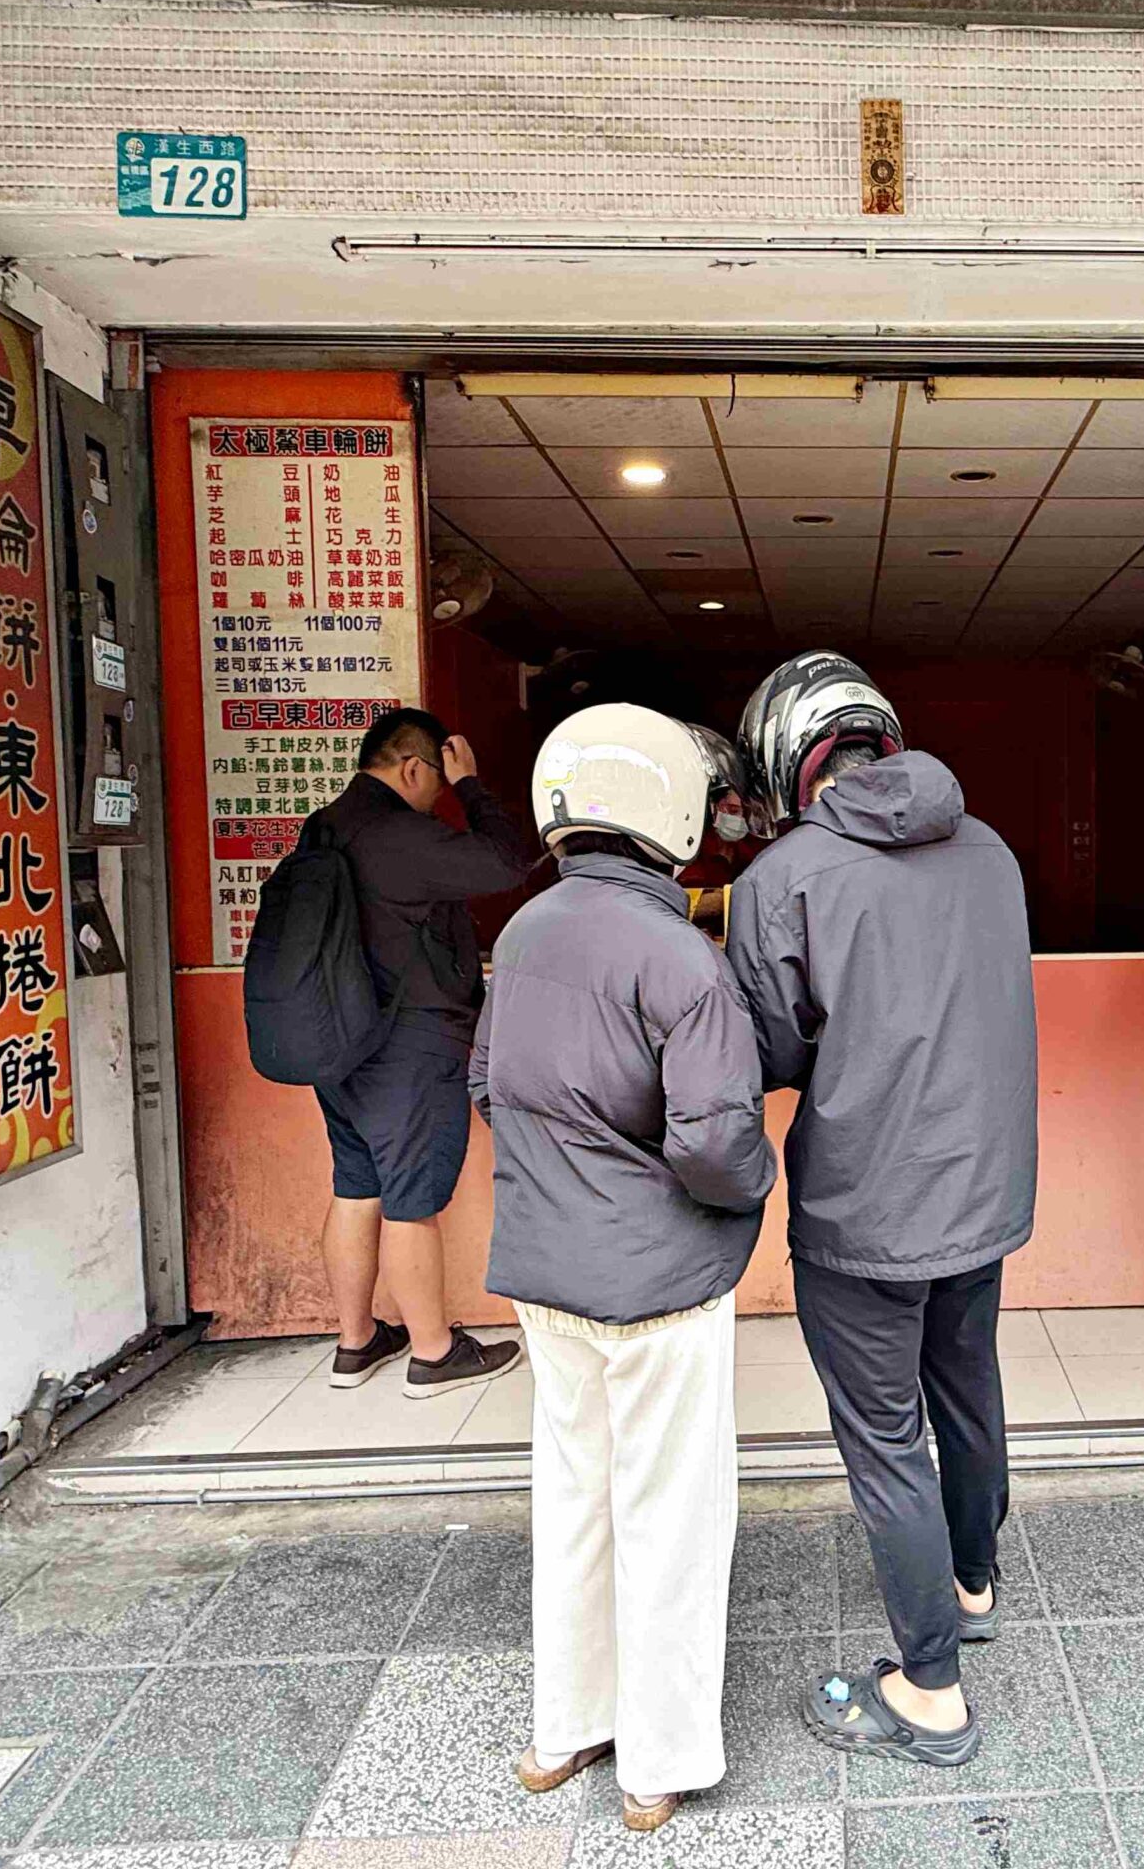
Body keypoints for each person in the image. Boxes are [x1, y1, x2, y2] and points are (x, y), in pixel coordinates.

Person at [724, 651, 1035, 1770]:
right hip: (984, 1187)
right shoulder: (989, 849)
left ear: (783, 760)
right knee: (966, 1387)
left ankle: (931, 1690)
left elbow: (771, 1051)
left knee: (885, 1438)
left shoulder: (782, 878)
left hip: (865, 1202)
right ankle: (971, 1579)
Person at [471, 704, 777, 1834]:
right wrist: (751, 1186)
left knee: (575, 1499)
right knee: (672, 1516)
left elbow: (485, 1088)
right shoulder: (681, 957)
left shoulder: (522, 935)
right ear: (675, 819)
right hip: (660, 1284)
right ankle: (657, 1760)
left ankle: (566, 1729)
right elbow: (713, 1143)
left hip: (545, 1273)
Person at [308, 705, 534, 1396]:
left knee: (356, 1187)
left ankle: (356, 1342)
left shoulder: (327, 826)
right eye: (435, 776)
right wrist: (473, 789)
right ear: (414, 766)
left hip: (337, 1038)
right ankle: (433, 1355)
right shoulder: (398, 832)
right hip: (406, 1042)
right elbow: (507, 862)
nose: (438, 792)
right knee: (411, 1198)